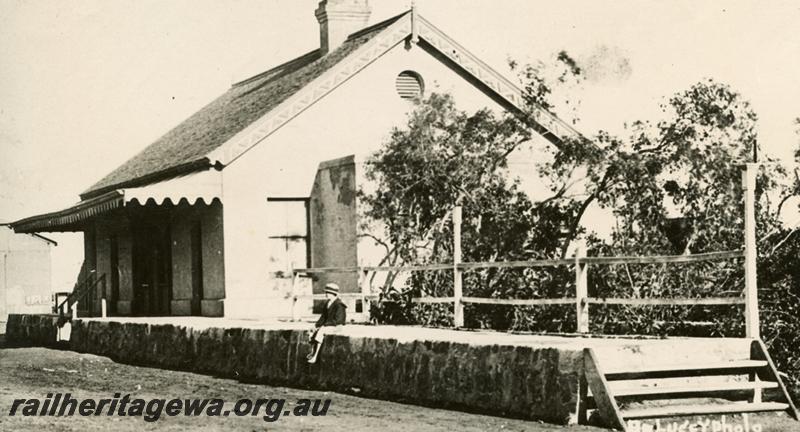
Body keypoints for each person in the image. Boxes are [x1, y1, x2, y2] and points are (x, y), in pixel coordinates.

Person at [306, 282, 347, 363]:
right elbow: (323, 317)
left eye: (328, 293)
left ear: (333, 294)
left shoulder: (339, 305)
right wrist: (316, 326)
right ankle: (313, 351)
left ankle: (315, 356)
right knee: (311, 331)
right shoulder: (327, 303)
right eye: (326, 292)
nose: (326, 294)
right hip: (328, 325)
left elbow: (339, 320)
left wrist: (324, 325)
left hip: (336, 326)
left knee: (321, 331)